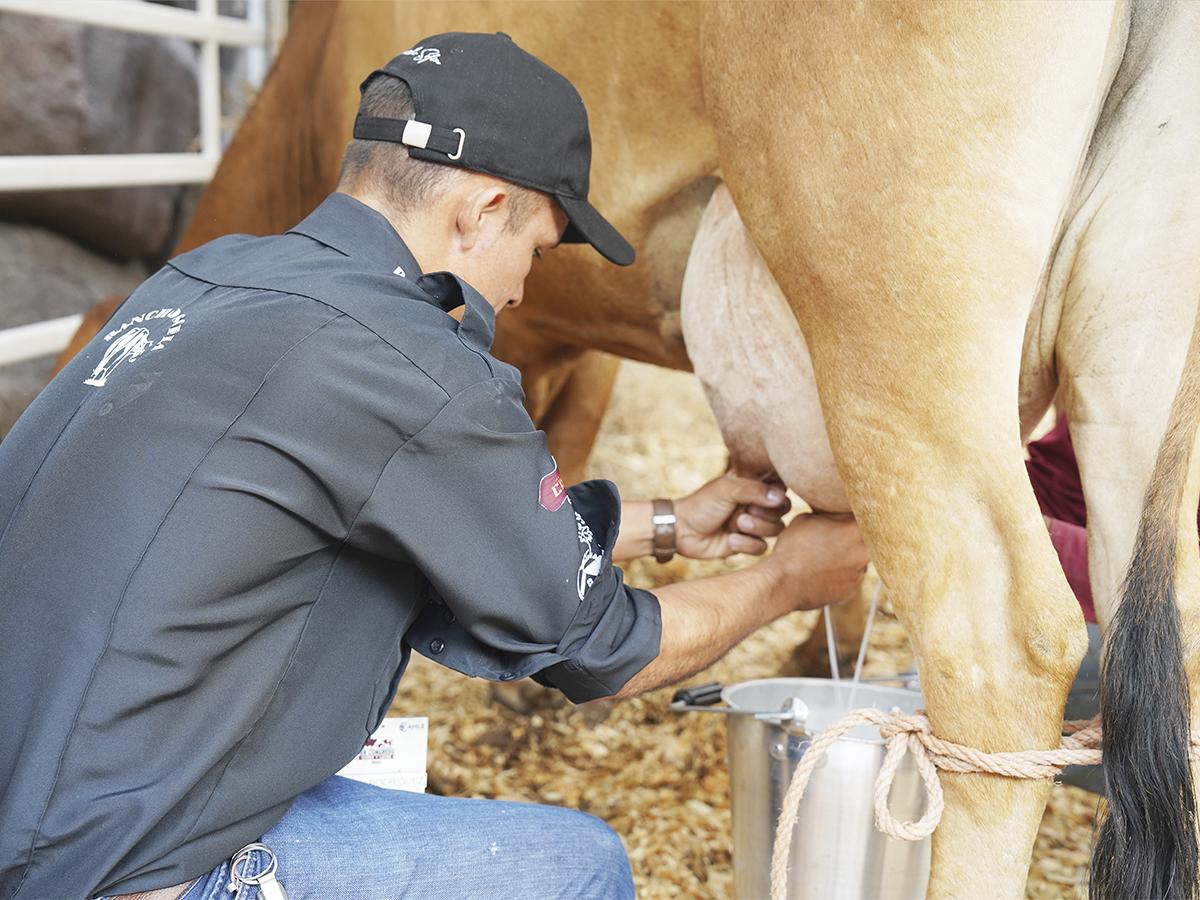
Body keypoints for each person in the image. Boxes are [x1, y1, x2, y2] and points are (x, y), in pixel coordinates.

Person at [0, 32, 867, 900]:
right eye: (535, 248)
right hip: (126, 868)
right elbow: (610, 649)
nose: (524, 289)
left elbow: (437, 516)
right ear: (484, 210)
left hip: (48, 808)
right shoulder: (412, 363)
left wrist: (674, 522)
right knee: (581, 866)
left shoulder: (201, 280)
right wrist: (791, 578)